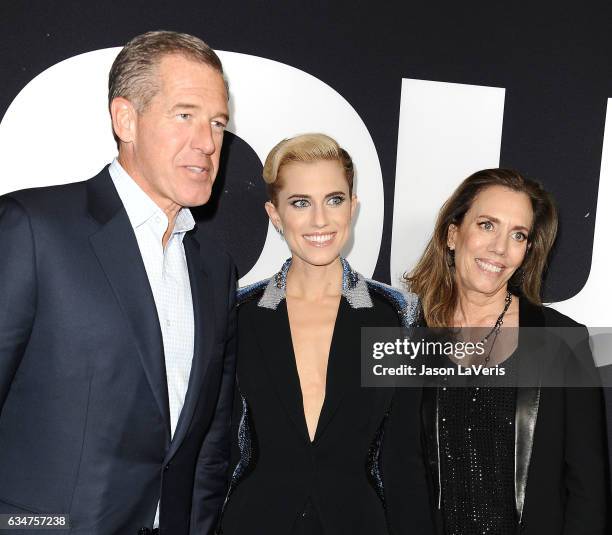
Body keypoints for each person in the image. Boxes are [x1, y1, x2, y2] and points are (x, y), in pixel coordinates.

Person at [0, 31, 236, 535]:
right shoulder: (35, 228)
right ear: (125, 119)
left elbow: (211, 438)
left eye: (217, 122)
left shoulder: (215, 266)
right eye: (184, 115)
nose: (209, 142)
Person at [218, 134, 433, 535]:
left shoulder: (395, 315)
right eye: (301, 203)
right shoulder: (238, 313)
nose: (320, 220)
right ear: (275, 214)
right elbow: (216, 448)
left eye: (334, 200)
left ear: (352, 208)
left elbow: (405, 457)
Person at [404, 168, 609, 534]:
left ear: (527, 251)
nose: (500, 247)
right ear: (453, 234)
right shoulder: (409, 336)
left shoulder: (564, 343)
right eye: (486, 225)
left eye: (518, 235)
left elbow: (588, 493)